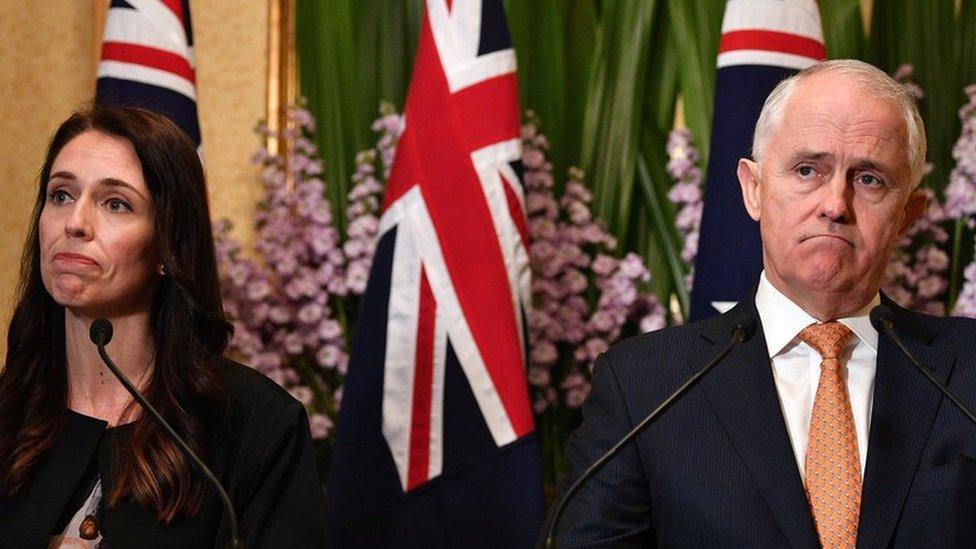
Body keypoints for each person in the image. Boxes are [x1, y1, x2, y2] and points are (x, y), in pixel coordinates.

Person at [551, 59, 976, 547]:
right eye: (807, 170)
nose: (835, 204)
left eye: (869, 179)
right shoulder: (646, 386)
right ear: (753, 189)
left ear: (909, 215)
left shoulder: (968, 371)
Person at [0, 106, 330, 547]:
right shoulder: (8, 411)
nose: (75, 223)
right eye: (61, 195)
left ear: (166, 246)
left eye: (115, 204)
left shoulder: (256, 426)